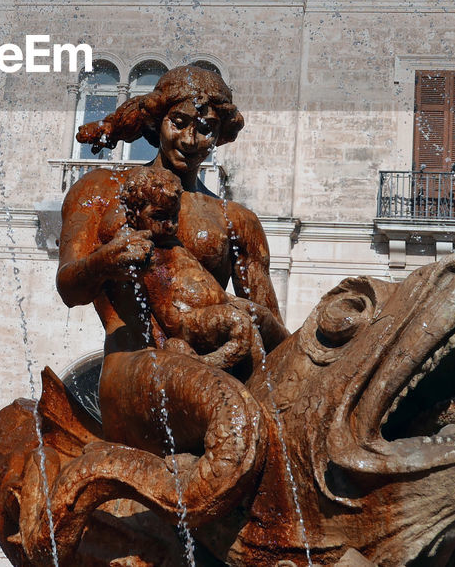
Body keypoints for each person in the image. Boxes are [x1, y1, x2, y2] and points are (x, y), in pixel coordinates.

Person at [23, 66, 290, 562]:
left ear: (220, 134)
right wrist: (105, 260)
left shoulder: (237, 223)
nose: (191, 139)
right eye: (180, 122)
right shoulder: (104, 188)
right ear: (156, 120)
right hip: (136, 367)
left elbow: (277, 338)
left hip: (215, 361)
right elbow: (69, 287)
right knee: (232, 412)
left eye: (205, 128)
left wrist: (250, 315)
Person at [118, 166, 267, 372]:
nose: (170, 225)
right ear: (133, 218)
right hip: (187, 319)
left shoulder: (171, 241)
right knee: (240, 324)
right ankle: (203, 365)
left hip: (215, 308)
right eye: (160, 217)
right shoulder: (140, 246)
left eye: (174, 217)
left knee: (262, 318)